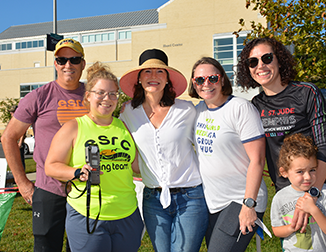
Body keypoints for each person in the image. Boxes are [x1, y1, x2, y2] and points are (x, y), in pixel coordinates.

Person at [237, 37, 326, 252]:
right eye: (253, 62)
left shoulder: (307, 92)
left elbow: (325, 145)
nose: (260, 65)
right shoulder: (255, 106)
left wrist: (311, 196)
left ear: (280, 61)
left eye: (267, 58)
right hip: (287, 195)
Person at [45, 62, 144, 252]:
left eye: (113, 94)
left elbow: (136, 166)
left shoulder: (125, 127)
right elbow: (51, 166)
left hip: (127, 213)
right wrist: (76, 172)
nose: (107, 98)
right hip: (87, 213)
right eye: (100, 93)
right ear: (88, 96)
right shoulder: (74, 127)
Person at [1, 38, 88, 252]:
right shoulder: (38, 97)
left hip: (87, 189)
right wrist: (22, 183)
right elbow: (9, 137)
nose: (68, 65)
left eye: (74, 59)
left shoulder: (93, 95)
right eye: (61, 60)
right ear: (55, 63)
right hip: (50, 189)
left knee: (83, 248)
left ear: (83, 64)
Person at [119, 48, 208, 252]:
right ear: (139, 79)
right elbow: (129, 155)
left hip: (191, 197)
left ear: (168, 79)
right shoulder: (128, 113)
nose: (153, 77)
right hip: (153, 200)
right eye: (147, 72)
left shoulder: (186, 110)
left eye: (160, 72)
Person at [188, 57, 268, 251]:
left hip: (240, 200)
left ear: (222, 79)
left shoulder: (241, 108)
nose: (206, 84)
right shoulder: (197, 112)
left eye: (212, 78)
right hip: (211, 202)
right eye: (200, 80)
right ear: (194, 83)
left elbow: (257, 160)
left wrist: (249, 205)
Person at [271, 133, 326, 251]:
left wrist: (313, 209)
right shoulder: (280, 197)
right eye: (300, 172)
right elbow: (276, 229)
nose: (308, 177)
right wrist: (292, 228)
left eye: (312, 170)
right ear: (284, 172)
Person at [8, 105, 26, 171]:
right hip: (13, 143)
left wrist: (20, 143)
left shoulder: (20, 121)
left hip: (18, 144)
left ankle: (22, 176)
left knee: (20, 161)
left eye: (12, 112)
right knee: (13, 161)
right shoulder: (12, 121)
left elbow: (23, 132)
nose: (11, 113)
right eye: (11, 112)